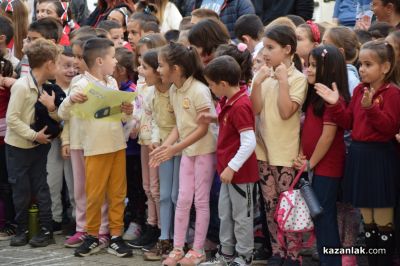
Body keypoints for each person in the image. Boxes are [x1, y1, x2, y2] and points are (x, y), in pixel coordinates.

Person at [315, 39, 400, 266]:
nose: (362, 69)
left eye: (368, 64)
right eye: (360, 63)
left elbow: (389, 128)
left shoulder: (392, 94)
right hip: (360, 156)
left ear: (385, 67)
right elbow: (349, 122)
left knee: (383, 218)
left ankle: (383, 262)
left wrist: (370, 108)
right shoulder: (360, 89)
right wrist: (335, 105)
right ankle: (372, 262)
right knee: (367, 218)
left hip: (380, 156)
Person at [59, 38, 133, 257]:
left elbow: (120, 115)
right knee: (94, 194)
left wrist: (127, 110)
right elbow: (63, 114)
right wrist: (71, 100)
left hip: (117, 144)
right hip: (95, 148)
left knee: (118, 193)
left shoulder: (112, 82)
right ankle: (92, 235)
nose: (116, 60)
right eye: (112, 57)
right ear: (100, 60)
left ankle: (116, 236)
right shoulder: (80, 84)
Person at [150, 42, 217, 266]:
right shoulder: (174, 90)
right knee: (183, 199)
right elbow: (180, 125)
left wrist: (174, 149)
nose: (158, 70)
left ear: (176, 68)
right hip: (188, 152)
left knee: (200, 201)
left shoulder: (199, 90)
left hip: (204, 152)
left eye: (161, 65)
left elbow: (203, 128)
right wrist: (164, 147)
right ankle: (178, 248)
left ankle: (197, 250)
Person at [250, 25, 308, 266]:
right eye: (264, 47)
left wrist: (283, 81)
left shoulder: (298, 79)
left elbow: (286, 112)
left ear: (287, 50)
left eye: (271, 48)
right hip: (263, 151)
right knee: (270, 206)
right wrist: (256, 83)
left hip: (285, 154)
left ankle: (294, 255)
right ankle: (278, 251)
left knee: (289, 208)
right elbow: (255, 109)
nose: (265, 52)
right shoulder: (264, 74)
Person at [198, 55, 258, 266]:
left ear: (223, 84)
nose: (211, 89)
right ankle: (227, 254)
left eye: (212, 85)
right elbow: (230, 124)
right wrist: (213, 118)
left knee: (242, 217)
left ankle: (244, 256)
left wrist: (232, 167)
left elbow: (249, 141)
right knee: (226, 214)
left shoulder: (241, 105)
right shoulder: (228, 101)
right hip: (227, 173)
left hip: (240, 175)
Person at [294, 45, 351, 266]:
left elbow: (327, 138)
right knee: (319, 219)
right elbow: (306, 130)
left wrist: (309, 163)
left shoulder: (332, 101)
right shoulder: (314, 96)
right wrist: (301, 155)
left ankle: (331, 262)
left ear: (330, 71)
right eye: (308, 64)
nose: (307, 69)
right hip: (313, 165)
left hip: (326, 168)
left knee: (324, 218)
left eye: (314, 66)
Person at [5, 38, 62, 247]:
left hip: (39, 146)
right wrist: (33, 135)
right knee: (20, 189)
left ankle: (46, 230)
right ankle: (23, 229)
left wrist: (51, 110)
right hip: (19, 147)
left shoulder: (47, 88)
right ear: (48, 64)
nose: (58, 66)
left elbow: (57, 118)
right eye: (56, 62)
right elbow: (12, 119)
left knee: (41, 187)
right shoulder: (21, 86)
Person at [60, 34, 110, 249]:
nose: (77, 62)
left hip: (100, 143)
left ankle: (102, 229)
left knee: (102, 188)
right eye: (76, 57)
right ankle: (83, 228)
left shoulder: (111, 81)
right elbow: (66, 115)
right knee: (80, 188)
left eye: (80, 57)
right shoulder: (76, 82)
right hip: (79, 143)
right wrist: (66, 140)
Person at [138, 49, 179, 261]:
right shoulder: (151, 93)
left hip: (177, 147)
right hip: (162, 147)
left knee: (175, 195)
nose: (140, 72)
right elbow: (155, 120)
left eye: (145, 68)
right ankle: (164, 238)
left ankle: (178, 240)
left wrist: (167, 144)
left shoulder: (175, 92)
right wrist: (155, 138)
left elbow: (180, 123)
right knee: (163, 195)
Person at [112, 47, 145, 243]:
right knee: (122, 188)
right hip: (117, 148)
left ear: (122, 70)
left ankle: (137, 221)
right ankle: (126, 218)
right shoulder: (111, 88)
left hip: (133, 150)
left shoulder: (131, 91)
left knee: (136, 188)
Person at [47, 46, 76, 234]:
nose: (71, 70)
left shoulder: (78, 86)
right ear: (55, 66)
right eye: (66, 66)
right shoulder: (48, 88)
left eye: (74, 66)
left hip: (74, 141)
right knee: (53, 179)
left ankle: (76, 217)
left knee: (74, 182)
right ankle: (55, 217)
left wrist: (53, 110)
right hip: (53, 141)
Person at [0, 55, 16, 241]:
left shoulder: (8, 79)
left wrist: (10, 82)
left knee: (6, 184)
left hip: (6, 140)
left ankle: (9, 224)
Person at [185, 0, 255, 38]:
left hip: (226, 54)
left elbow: (247, 35)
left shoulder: (241, 3)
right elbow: (187, 29)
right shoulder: (195, 2)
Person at [323, 26, 361, 95]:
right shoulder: (330, 72)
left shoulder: (351, 80)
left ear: (340, 52)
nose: (320, 47)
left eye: (325, 44)